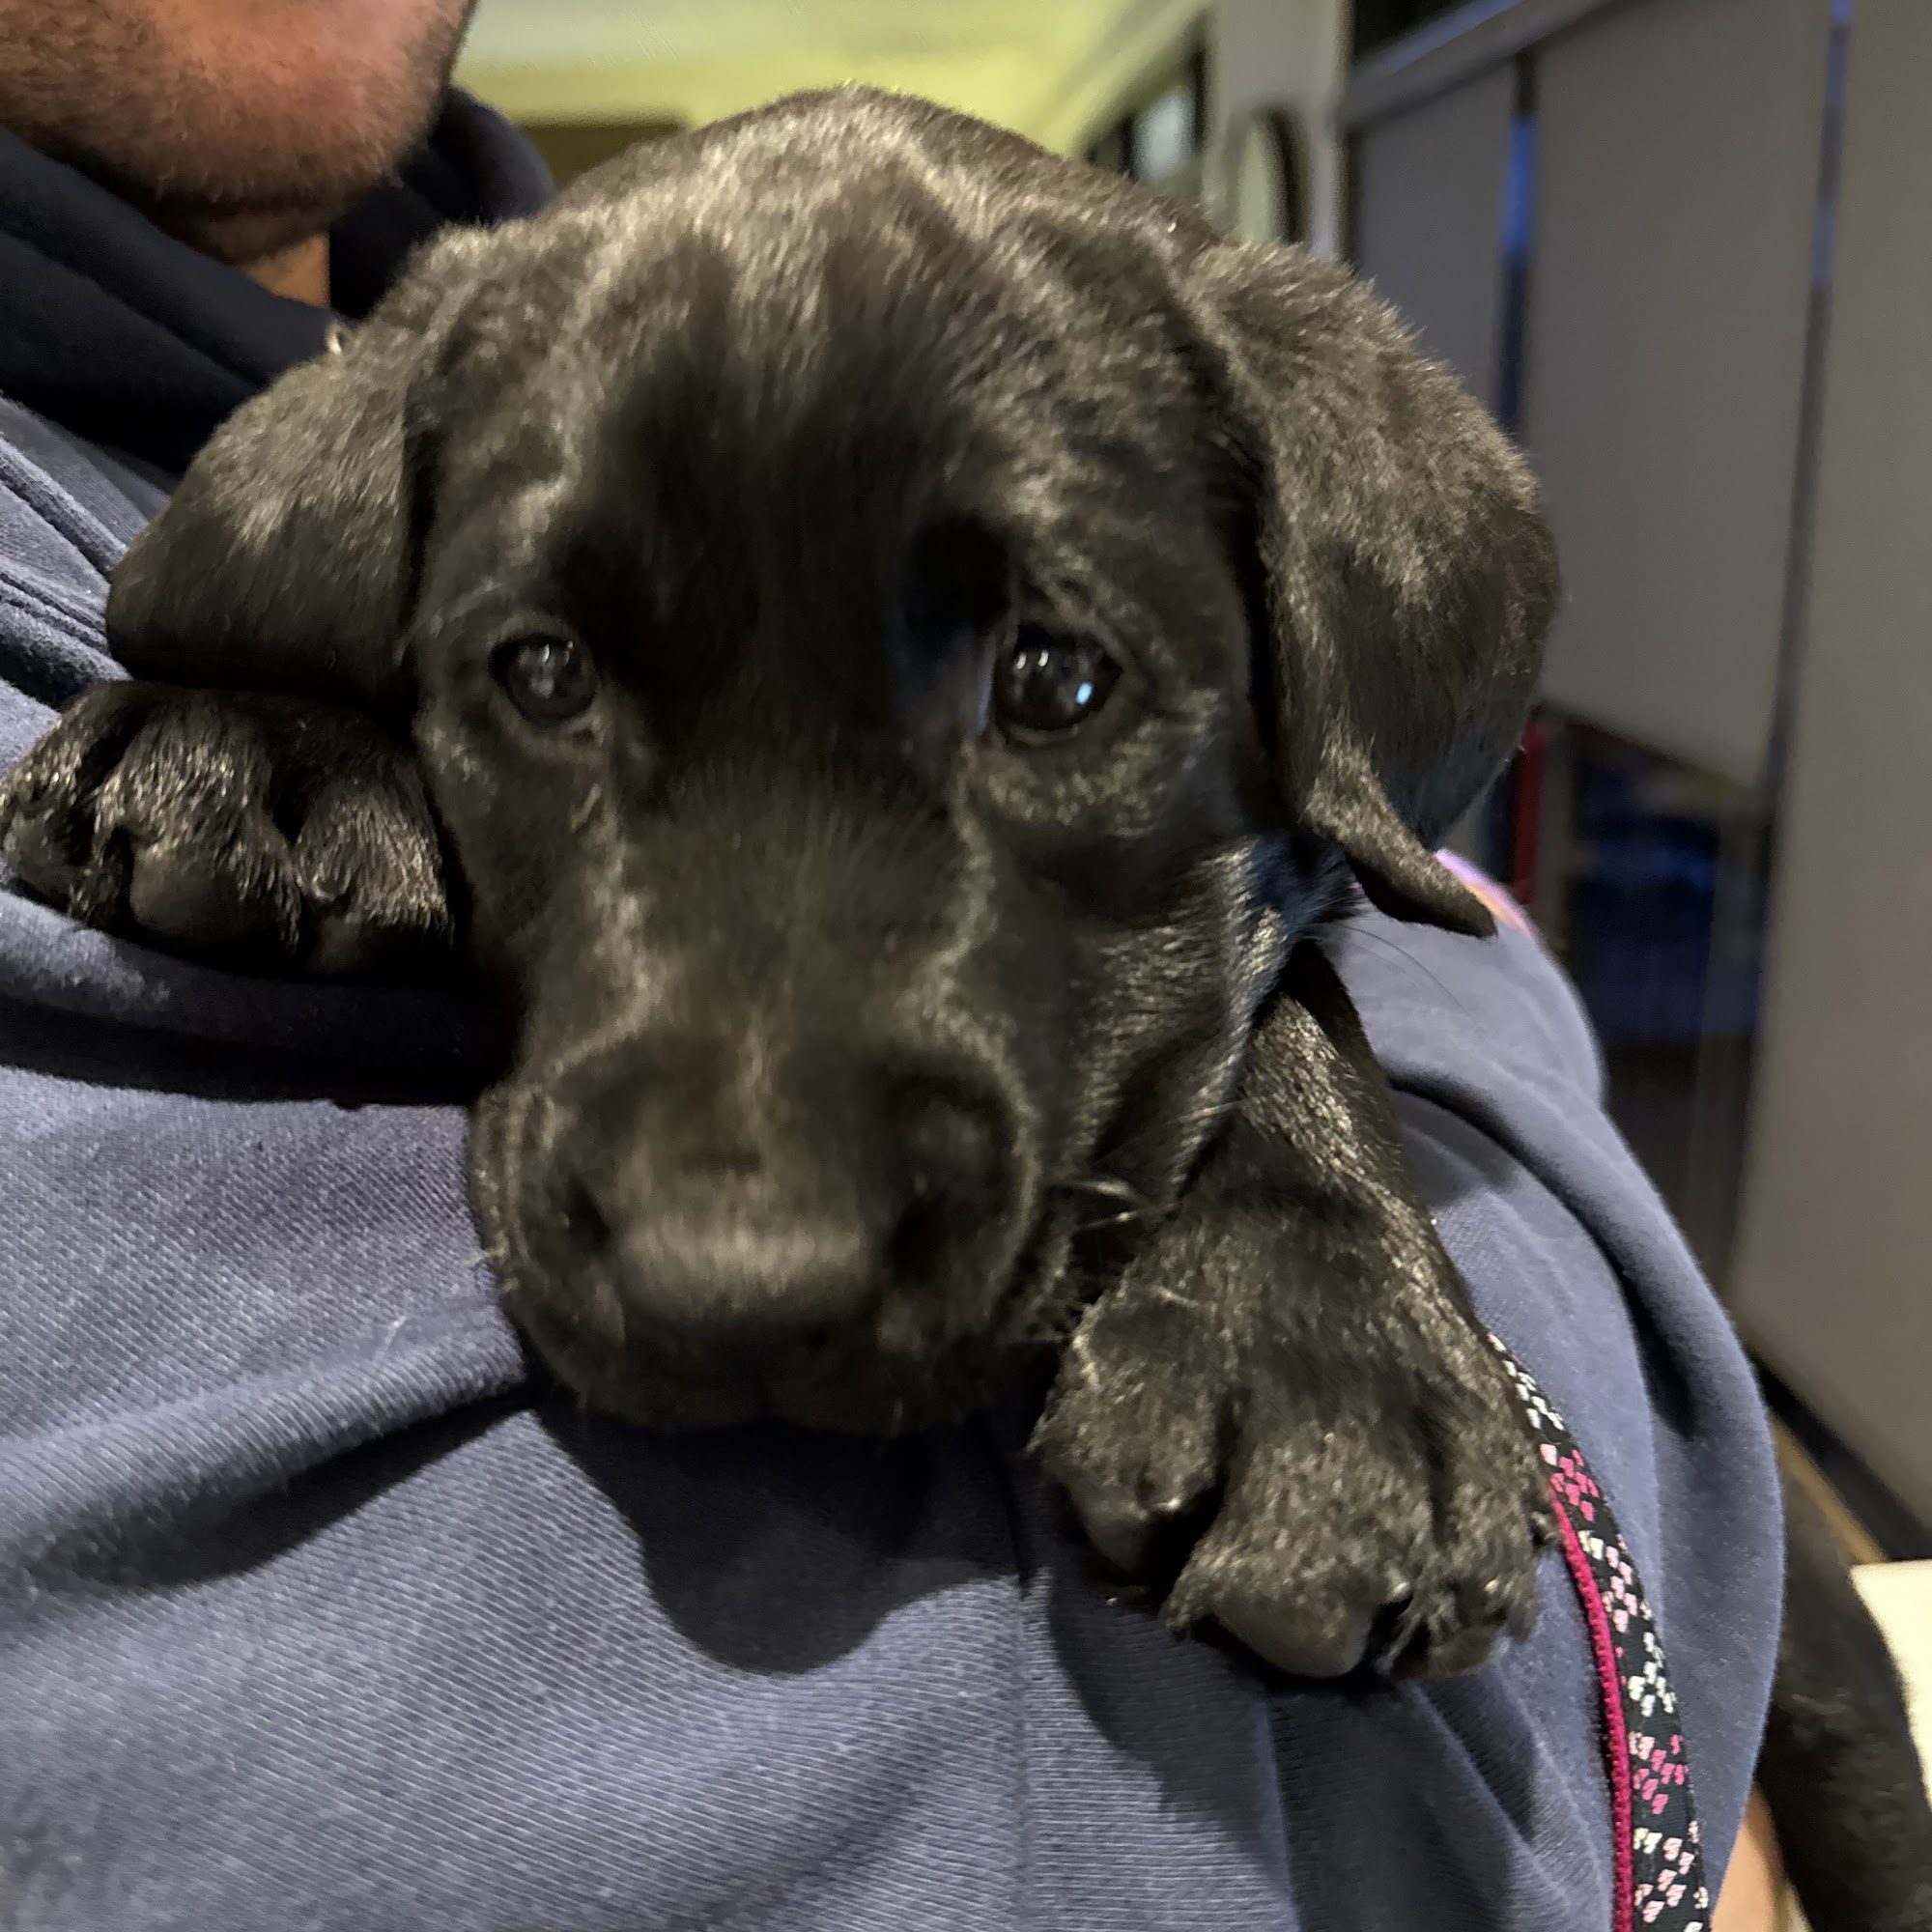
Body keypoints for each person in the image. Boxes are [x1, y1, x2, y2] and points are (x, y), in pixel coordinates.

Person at [0, 4, 1784, 1926]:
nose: (743, 1238)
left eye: (1054, 680)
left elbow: (1331, 851)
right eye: (537, 672)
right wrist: (1498, 1014)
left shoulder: (488, 368)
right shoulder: (396, 444)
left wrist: (1313, 1111)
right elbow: (1333, 1824)